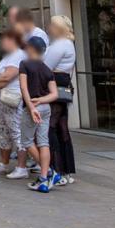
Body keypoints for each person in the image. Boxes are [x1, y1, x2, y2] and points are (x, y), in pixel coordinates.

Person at [0, 30, 28, 178]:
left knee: (16, 132)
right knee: (3, 132)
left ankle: (22, 167)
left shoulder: (19, 55)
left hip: (12, 99)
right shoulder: (8, 57)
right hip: (2, 101)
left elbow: (7, 77)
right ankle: (4, 164)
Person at [18, 38, 61, 192]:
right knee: (43, 142)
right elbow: (54, 94)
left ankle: (48, 171)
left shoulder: (24, 64)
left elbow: (24, 88)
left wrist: (31, 107)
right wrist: (41, 100)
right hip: (45, 108)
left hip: (32, 107)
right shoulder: (47, 69)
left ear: (31, 48)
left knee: (27, 141)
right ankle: (44, 179)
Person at [43, 15, 77, 185]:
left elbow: (45, 67)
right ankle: (66, 170)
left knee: (51, 127)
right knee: (62, 128)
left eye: (52, 25)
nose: (49, 27)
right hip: (62, 85)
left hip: (55, 85)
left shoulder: (60, 45)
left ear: (58, 28)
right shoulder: (68, 44)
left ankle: (56, 168)